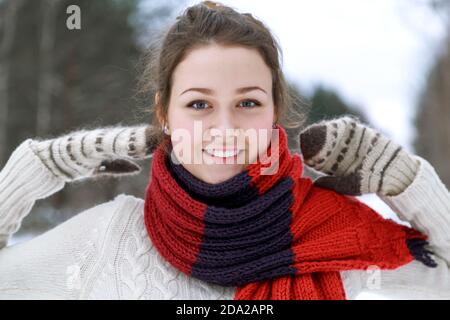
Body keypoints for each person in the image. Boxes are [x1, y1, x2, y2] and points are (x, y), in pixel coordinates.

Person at [0, 0, 449, 299]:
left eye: (248, 103)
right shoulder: (104, 240)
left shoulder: (335, 238)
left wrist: (408, 181)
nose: (225, 127)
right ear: (165, 115)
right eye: (199, 103)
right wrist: (38, 167)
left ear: (275, 111)